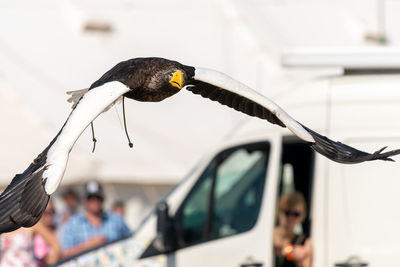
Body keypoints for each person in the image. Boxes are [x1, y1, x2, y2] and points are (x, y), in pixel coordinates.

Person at [60, 181, 132, 258]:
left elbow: (131, 242)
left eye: (98, 198)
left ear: (103, 199)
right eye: (91, 198)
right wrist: (88, 246)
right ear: (85, 200)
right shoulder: (73, 223)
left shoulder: (116, 220)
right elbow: (65, 254)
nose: (95, 201)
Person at [273, 192, 312, 267]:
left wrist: (299, 262)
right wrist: (290, 252)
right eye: (287, 212)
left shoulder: (304, 242)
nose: (291, 218)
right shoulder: (267, 235)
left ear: (302, 217)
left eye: (296, 214)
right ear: (279, 212)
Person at [33, 200, 60, 266]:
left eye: (51, 211)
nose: (49, 215)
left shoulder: (61, 230)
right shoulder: (34, 235)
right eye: (45, 212)